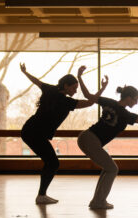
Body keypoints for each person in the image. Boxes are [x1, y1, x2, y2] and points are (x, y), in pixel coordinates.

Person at [76, 67, 138, 209]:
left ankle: (97, 201)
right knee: (112, 169)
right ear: (129, 98)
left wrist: (80, 76)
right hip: (91, 140)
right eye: (136, 99)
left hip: (85, 137)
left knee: (108, 168)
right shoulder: (126, 115)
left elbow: (88, 95)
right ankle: (98, 202)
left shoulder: (110, 103)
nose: (136, 102)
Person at [20, 63, 108, 204]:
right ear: (66, 86)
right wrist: (102, 88)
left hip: (30, 130)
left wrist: (25, 72)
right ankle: (41, 195)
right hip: (33, 133)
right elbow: (91, 102)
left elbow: (37, 81)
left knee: (51, 162)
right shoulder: (66, 101)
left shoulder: (51, 90)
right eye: (73, 88)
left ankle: (42, 195)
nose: (75, 91)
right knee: (53, 162)